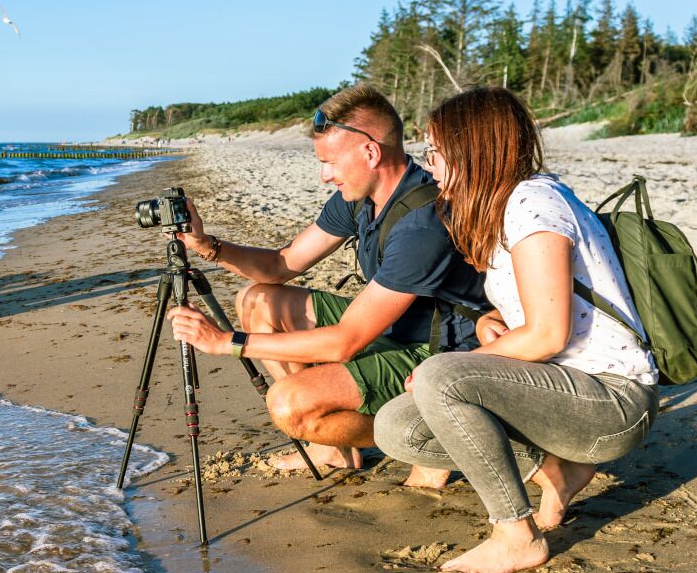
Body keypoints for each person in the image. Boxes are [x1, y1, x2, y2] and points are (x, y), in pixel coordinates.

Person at [374, 86, 661, 573]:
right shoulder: (510, 205)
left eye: (436, 152)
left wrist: (449, 369)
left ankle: (516, 536)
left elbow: (548, 335)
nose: (430, 164)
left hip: (613, 401)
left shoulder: (535, 207)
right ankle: (559, 470)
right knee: (398, 426)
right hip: (563, 393)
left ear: (473, 151)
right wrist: (489, 321)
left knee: (441, 377)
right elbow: (534, 314)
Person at [166, 84, 486, 480]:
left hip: (438, 354)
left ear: (370, 153)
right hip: (390, 330)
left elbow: (345, 341)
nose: (324, 176)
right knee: (257, 299)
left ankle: (432, 439)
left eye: (330, 162)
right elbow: (283, 264)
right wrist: (208, 246)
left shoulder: (422, 223)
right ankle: (334, 450)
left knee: (289, 405)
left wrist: (225, 344)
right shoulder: (360, 198)